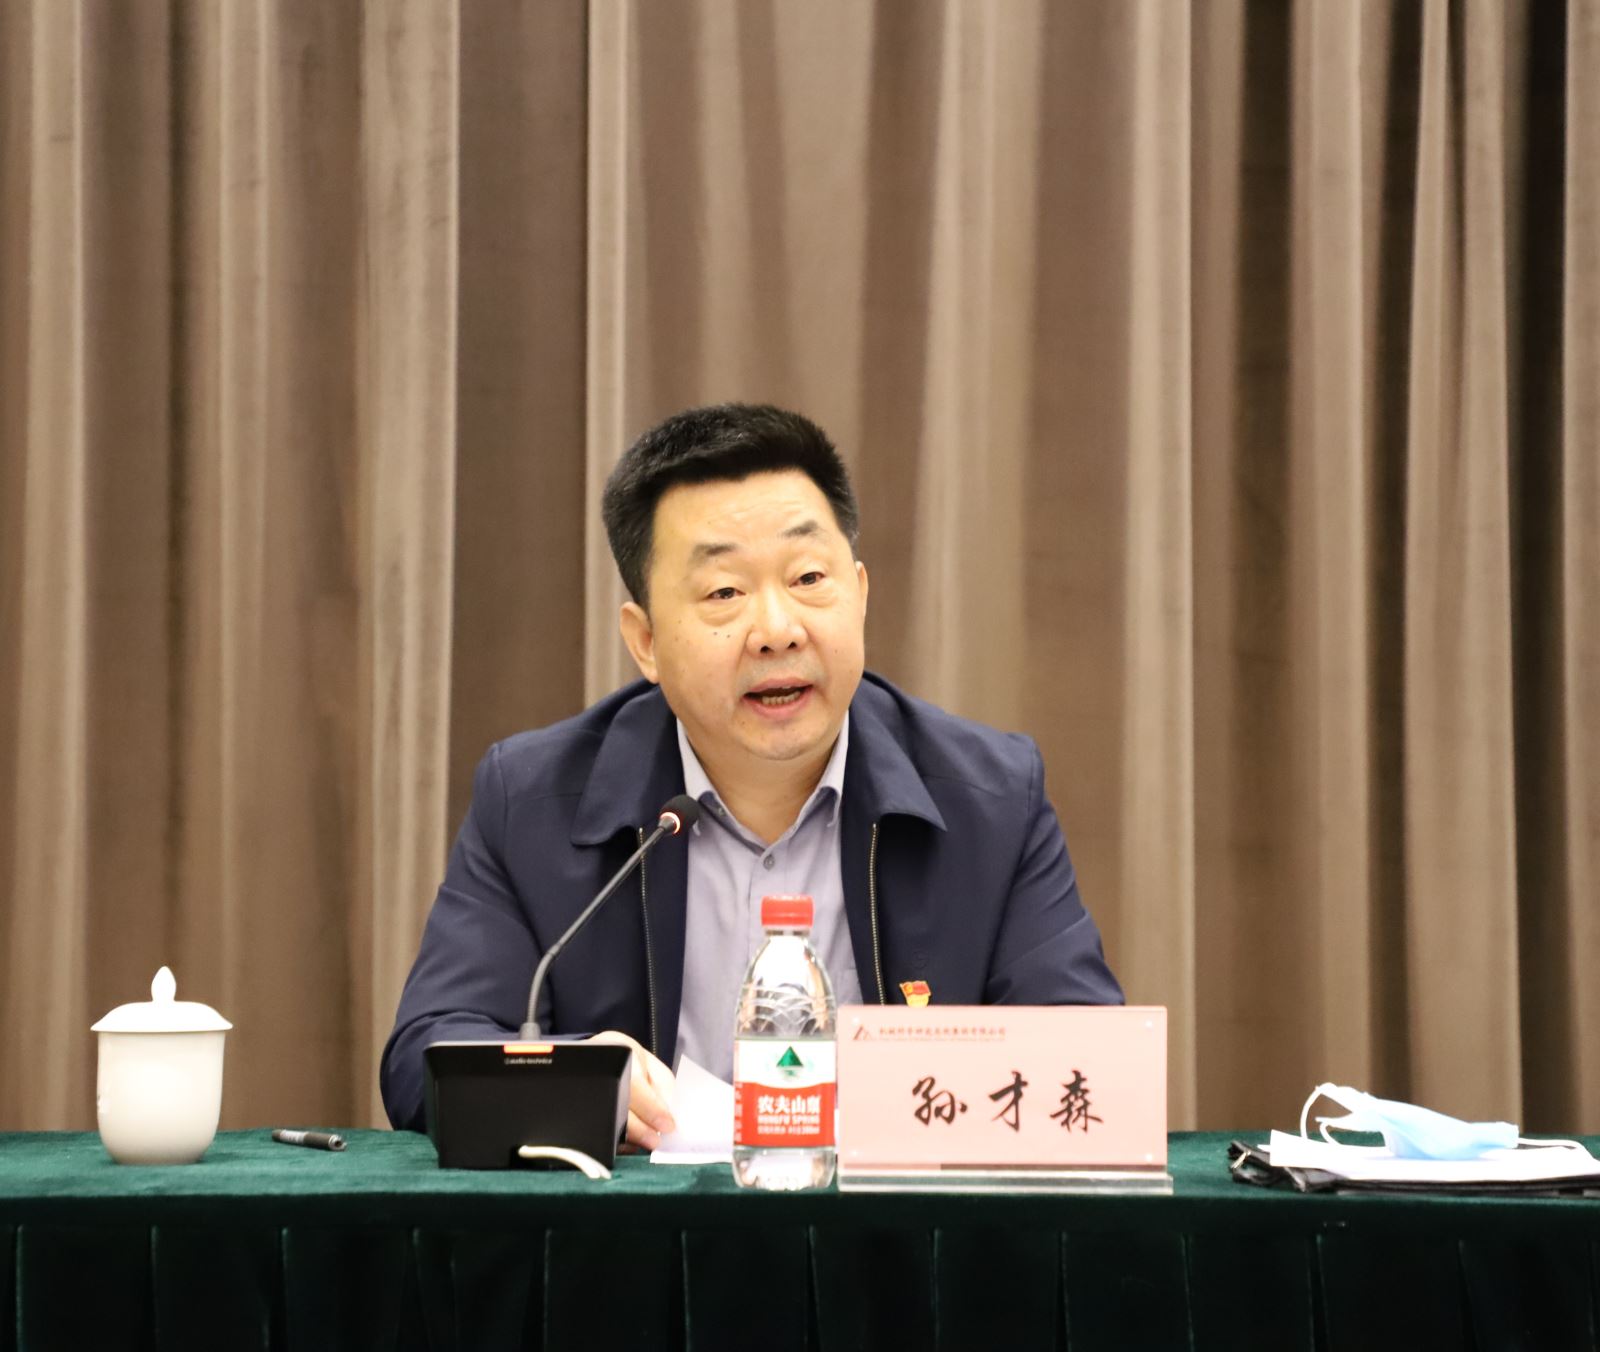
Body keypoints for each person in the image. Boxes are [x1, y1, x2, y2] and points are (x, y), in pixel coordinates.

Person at [380, 403, 1123, 1144]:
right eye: (724, 593)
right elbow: (428, 1056)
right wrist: (579, 1077)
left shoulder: (991, 797)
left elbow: (1087, 1064)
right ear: (645, 642)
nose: (776, 630)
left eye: (809, 577)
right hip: (640, 1219)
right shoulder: (533, 801)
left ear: (860, 595)